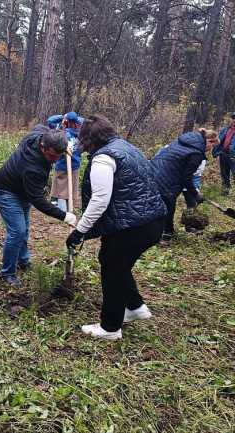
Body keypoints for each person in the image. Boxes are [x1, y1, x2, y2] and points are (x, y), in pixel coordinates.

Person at [66, 114, 167, 340]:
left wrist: (79, 231)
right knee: (116, 263)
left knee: (112, 268)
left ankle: (110, 327)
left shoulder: (103, 159)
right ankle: (135, 308)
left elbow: (100, 200)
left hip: (132, 227)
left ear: (89, 139)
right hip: (152, 221)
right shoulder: (124, 147)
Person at [0, 126, 77, 288]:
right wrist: (64, 215)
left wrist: (66, 146)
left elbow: (46, 128)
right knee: (17, 231)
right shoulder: (33, 168)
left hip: (21, 190)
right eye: (52, 156)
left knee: (24, 228)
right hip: (6, 192)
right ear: (43, 147)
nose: (55, 160)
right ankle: (8, 273)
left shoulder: (39, 135)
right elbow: (38, 200)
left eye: (59, 156)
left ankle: (23, 261)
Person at [151, 129, 217, 242]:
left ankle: (164, 231)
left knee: (159, 204)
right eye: (212, 145)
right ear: (209, 141)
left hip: (153, 172)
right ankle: (166, 234)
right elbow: (186, 177)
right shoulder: (196, 153)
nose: (211, 149)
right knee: (168, 205)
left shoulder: (185, 140)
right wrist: (196, 194)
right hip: (168, 178)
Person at [49, 112, 83, 211]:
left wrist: (63, 117)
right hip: (75, 165)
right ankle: (69, 209)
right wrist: (72, 118)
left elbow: (50, 120)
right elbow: (82, 120)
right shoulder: (80, 132)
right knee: (71, 187)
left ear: (66, 121)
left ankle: (62, 211)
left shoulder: (61, 133)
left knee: (60, 189)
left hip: (61, 166)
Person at [213, 113, 235, 196]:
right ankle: (225, 191)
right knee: (224, 174)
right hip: (223, 154)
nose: (234, 120)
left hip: (233, 156)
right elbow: (218, 141)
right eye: (233, 118)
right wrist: (217, 152)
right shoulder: (225, 129)